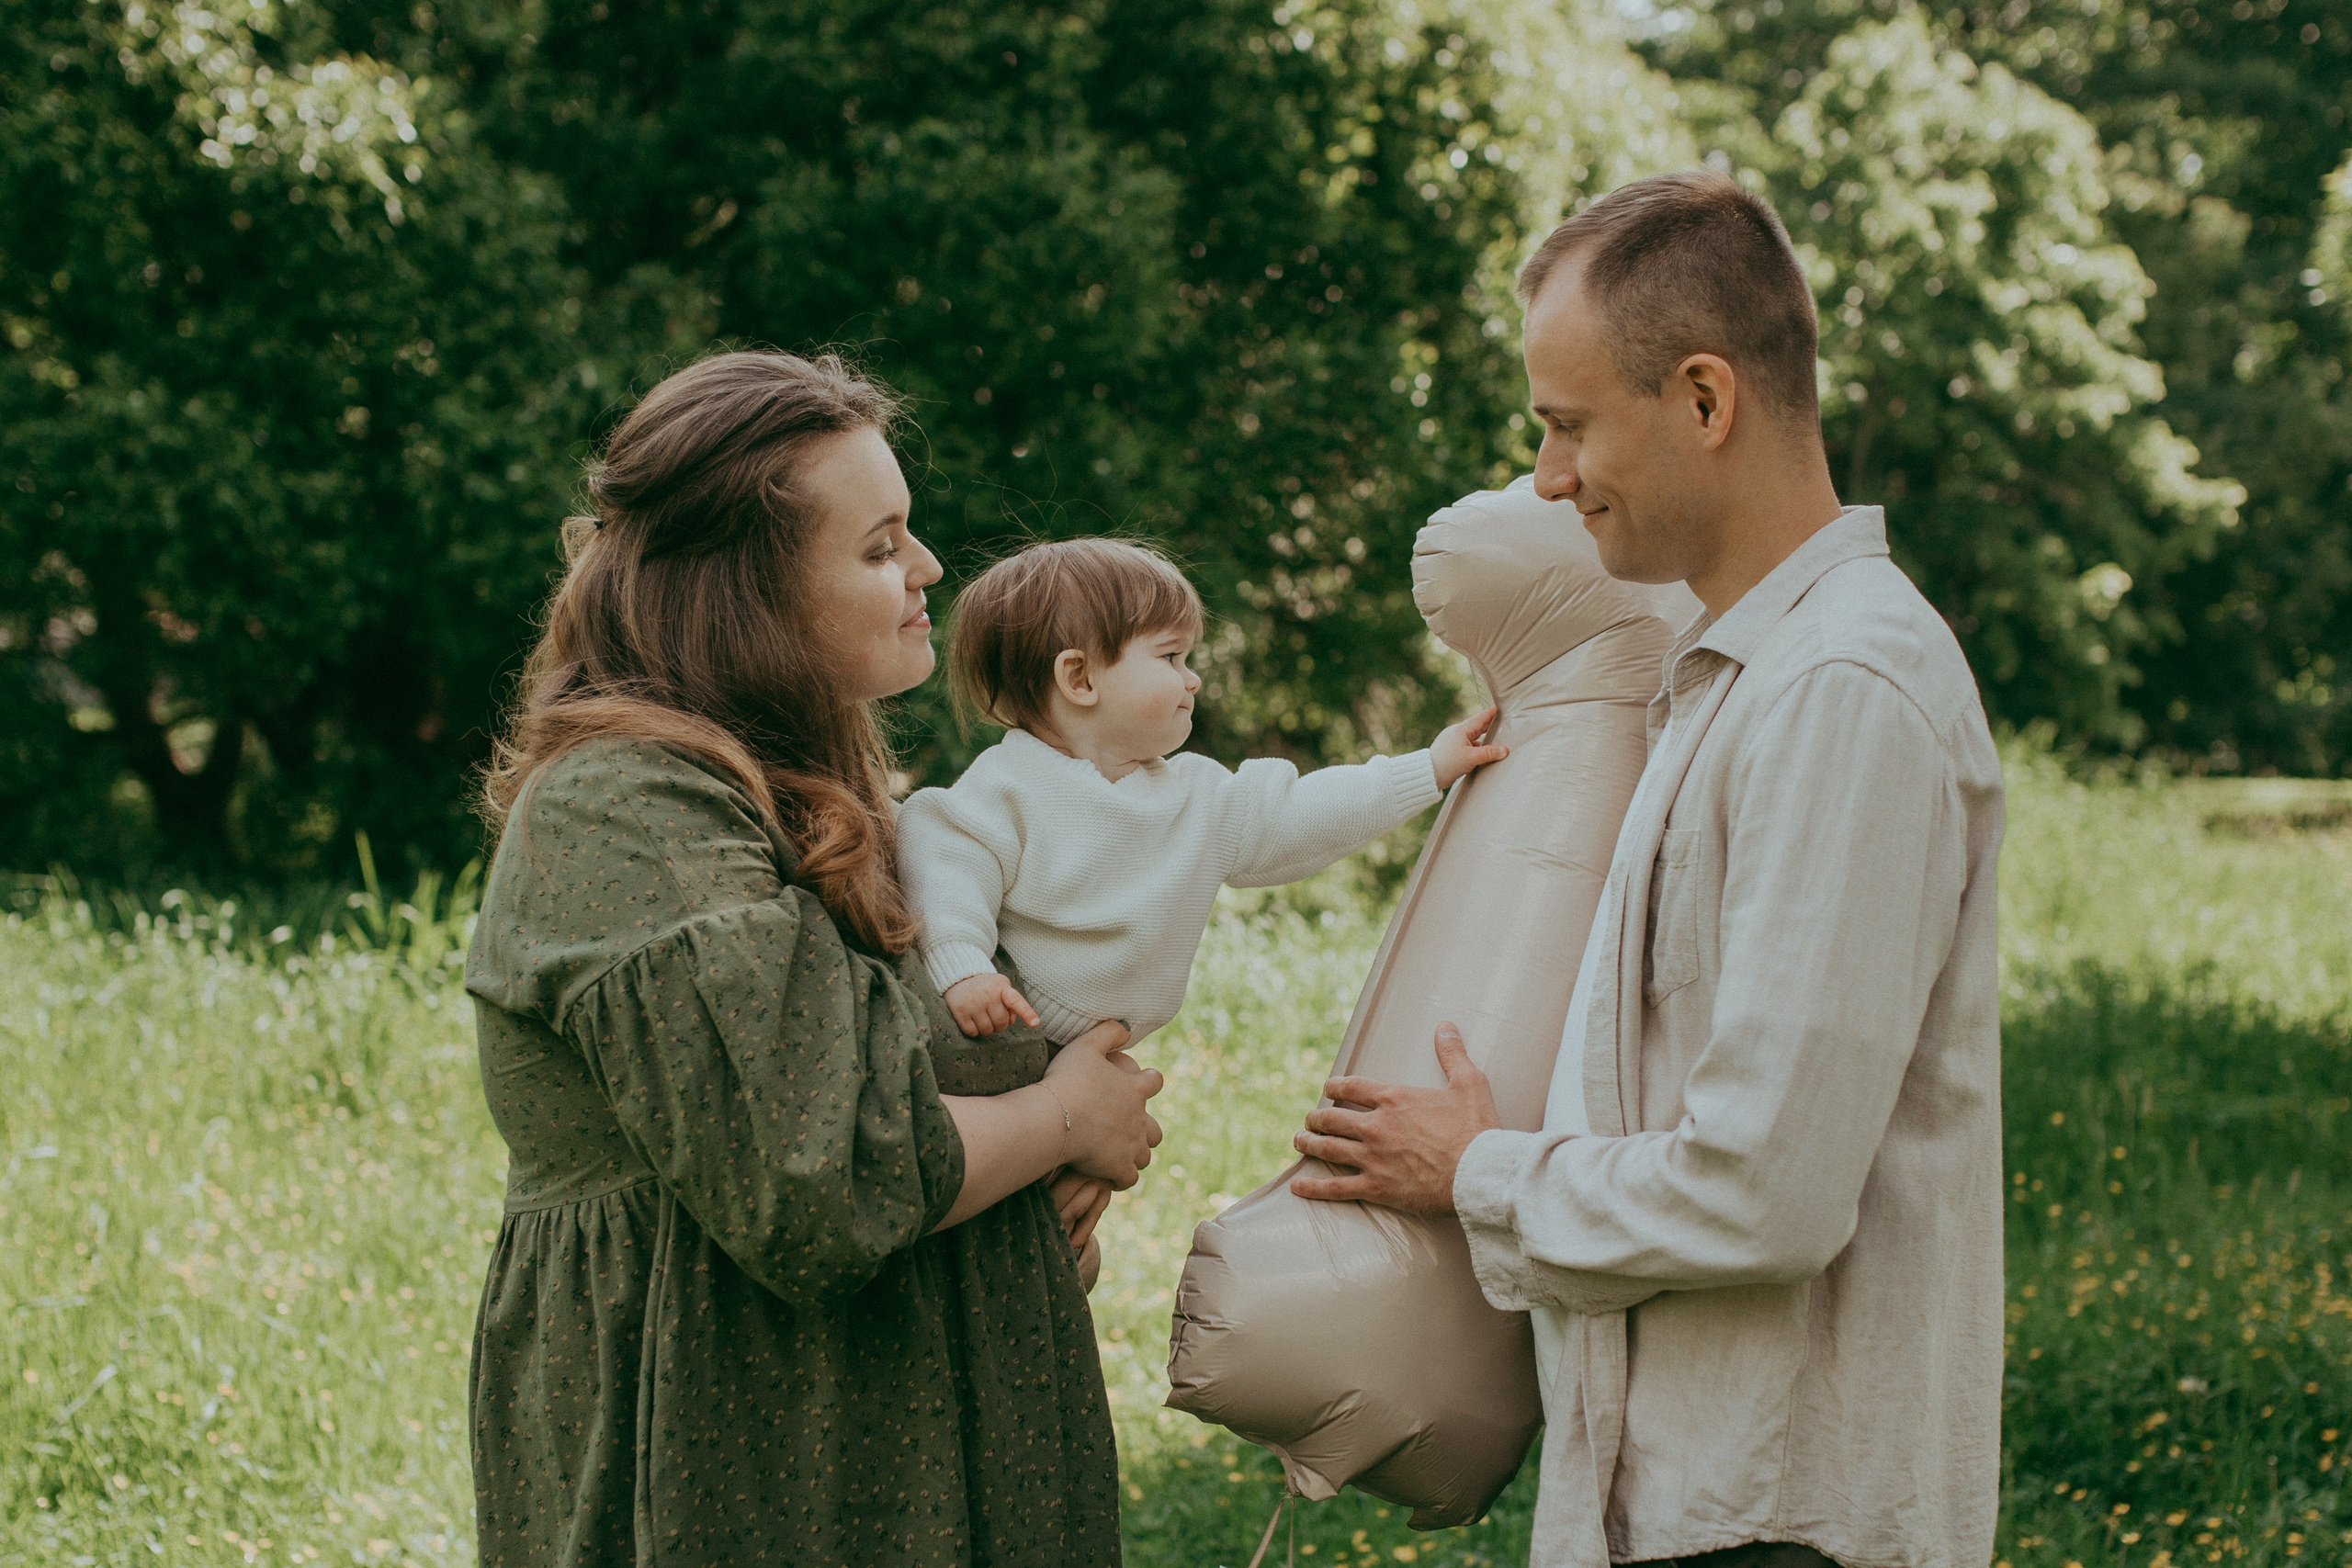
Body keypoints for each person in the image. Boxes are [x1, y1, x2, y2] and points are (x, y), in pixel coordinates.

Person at [1287, 170, 2007, 1568]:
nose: (1550, 479)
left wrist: (1481, 1170)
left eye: (1566, 426)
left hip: (1785, 1521)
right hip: (1685, 1503)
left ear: (1704, 398)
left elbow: (1768, 1188)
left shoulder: (1844, 690)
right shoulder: (1725, 671)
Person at [462, 350, 1162, 1567]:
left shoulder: (831, 805)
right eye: (881, 545)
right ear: (753, 591)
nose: (928, 569)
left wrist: (1035, 1205)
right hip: (734, 1468)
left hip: (903, 1445)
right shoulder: (624, 805)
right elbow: (816, 1178)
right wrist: (1062, 1119)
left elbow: (911, 1120)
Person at [898, 536, 1508, 1048]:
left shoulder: (1199, 797)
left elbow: (1303, 814)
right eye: (1171, 655)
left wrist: (1426, 768)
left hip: (1096, 1050)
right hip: (1003, 1029)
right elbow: (947, 869)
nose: (1193, 678)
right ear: (1079, 677)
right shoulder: (1009, 787)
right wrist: (964, 968)